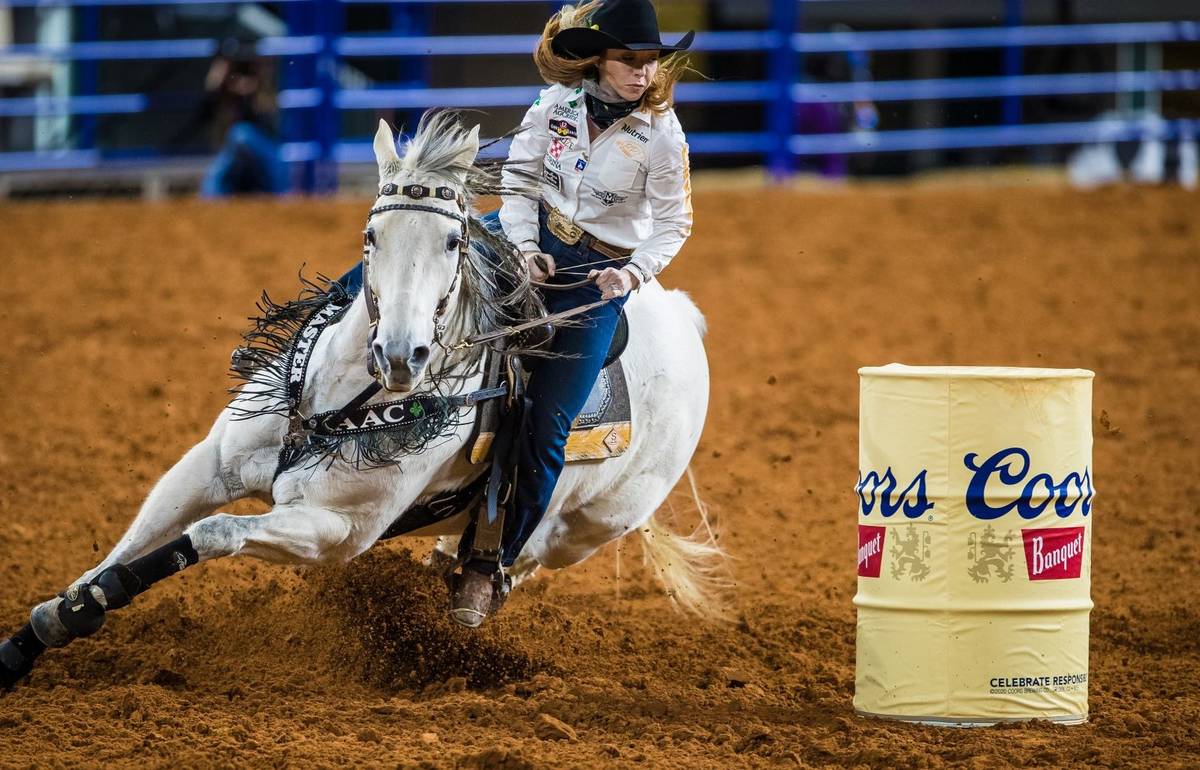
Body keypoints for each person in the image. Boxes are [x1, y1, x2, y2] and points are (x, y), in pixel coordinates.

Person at [447, 0, 695, 625]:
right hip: (524, 240)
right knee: (420, 256)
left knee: (548, 417)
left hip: (596, 276)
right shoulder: (550, 108)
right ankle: (323, 324)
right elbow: (522, 182)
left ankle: (489, 563)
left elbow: (675, 224)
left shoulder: (662, 133)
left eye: (650, 62)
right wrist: (525, 248)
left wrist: (631, 273)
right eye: (630, 61)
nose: (643, 73)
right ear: (600, 61)